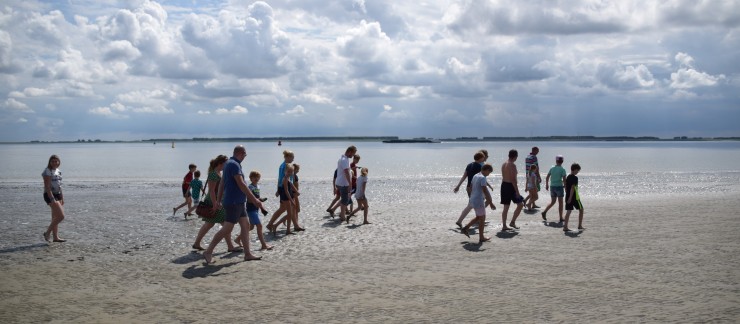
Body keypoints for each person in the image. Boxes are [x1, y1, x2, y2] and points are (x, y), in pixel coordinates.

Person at [203, 145, 264, 264]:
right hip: (233, 202)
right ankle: (208, 251)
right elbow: (241, 184)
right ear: (240, 153)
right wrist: (254, 199)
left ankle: (247, 254)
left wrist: (219, 200)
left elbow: (222, 184)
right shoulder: (234, 165)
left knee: (245, 225)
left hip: (239, 202)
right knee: (227, 228)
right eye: (245, 155)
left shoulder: (229, 164)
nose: (245, 157)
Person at [192, 155, 238, 252]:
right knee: (225, 224)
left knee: (209, 224)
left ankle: (197, 243)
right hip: (214, 202)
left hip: (218, 201)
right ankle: (230, 246)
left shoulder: (219, 173)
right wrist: (215, 204)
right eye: (226, 163)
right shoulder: (213, 174)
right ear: (221, 163)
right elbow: (212, 191)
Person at [266, 150, 303, 235]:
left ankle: (271, 224)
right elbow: (280, 179)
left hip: (288, 188)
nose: (293, 159)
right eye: (292, 157)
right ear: (287, 157)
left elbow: (290, 180)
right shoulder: (283, 166)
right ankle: (273, 224)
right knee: (289, 209)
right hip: (285, 190)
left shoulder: (288, 166)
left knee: (283, 209)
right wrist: (278, 190)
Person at [235, 171, 273, 251]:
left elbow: (256, 198)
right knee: (259, 226)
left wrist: (260, 202)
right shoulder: (250, 187)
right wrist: (258, 200)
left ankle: (238, 239)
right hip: (251, 209)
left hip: (256, 209)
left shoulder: (257, 187)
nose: (256, 178)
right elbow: (249, 200)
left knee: (251, 227)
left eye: (257, 177)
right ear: (250, 178)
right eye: (254, 177)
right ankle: (263, 245)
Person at [461, 163, 495, 244]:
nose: (488, 174)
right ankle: (481, 237)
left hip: (473, 199)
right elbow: (485, 190)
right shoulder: (483, 178)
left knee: (479, 217)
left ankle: (466, 228)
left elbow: (470, 187)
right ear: (486, 170)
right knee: (482, 219)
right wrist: (490, 203)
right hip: (479, 200)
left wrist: (471, 197)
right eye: (489, 172)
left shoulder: (476, 175)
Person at [453, 151, 487, 229]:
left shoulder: (469, 165)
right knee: (475, 205)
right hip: (476, 188)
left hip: (468, 187)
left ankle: (460, 221)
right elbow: (482, 178)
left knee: (471, 205)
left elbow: (464, 176)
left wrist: (458, 186)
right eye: (483, 157)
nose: (484, 158)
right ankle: (479, 220)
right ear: (480, 158)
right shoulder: (480, 167)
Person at [42, 155, 66, 243]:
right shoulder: (47, 171)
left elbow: (60, 186)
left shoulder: (58, 171)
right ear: (50, 162)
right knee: (61, 216)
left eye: (56, 161)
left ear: (59, 162)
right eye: (53, 161)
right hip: (50, 195)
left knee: (55, 217)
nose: (55, 163)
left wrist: (62, 197)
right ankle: (47, 232)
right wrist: (52, 199)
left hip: (58, 194)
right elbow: (47, 187)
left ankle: (55, 237)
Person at [500, 149, 524, 231]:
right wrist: (517, 192)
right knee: (520, 205)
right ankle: (511, 222)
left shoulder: (504, 164)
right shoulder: (512, 165)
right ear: (515, 156)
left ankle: (505, 225)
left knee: (506, 207)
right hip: (510, 186)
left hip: (504, 185)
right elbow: (513, 180)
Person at [541, 155, 567, 223]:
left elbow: (547, 177)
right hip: (559, 187)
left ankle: (544, 211)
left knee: (553, 201)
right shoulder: (562, 169)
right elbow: (564, 179)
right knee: (560, 203)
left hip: (552, 186)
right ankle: (561, 217)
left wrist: (547, 185)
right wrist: (565, 187)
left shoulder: (552, 168)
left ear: (556, 161)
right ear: (562, 161)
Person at [335, 145, 357, 222]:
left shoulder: (344, 158)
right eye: (353, 153)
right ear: (349, 151)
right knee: (345, 200)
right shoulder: (344, 159)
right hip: (343, 183)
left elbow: (347, 170)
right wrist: (350, 183)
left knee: (344, 199)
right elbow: (346, 172)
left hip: (340, 182)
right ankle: (342, 216)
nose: (353, 155)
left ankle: (340, 213)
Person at [563, 163, 585, 232]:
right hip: (574, 197)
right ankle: (580, 225)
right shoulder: (575, 178)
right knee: (581, 210)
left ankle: (565, 227)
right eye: (577, 171)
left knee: (568, 211)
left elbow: (566, 187)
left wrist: (568, 196)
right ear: (575, 169)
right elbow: (573, 188)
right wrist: (570, 198)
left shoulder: (568, 177)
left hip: (568, 196)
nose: (578, 172)